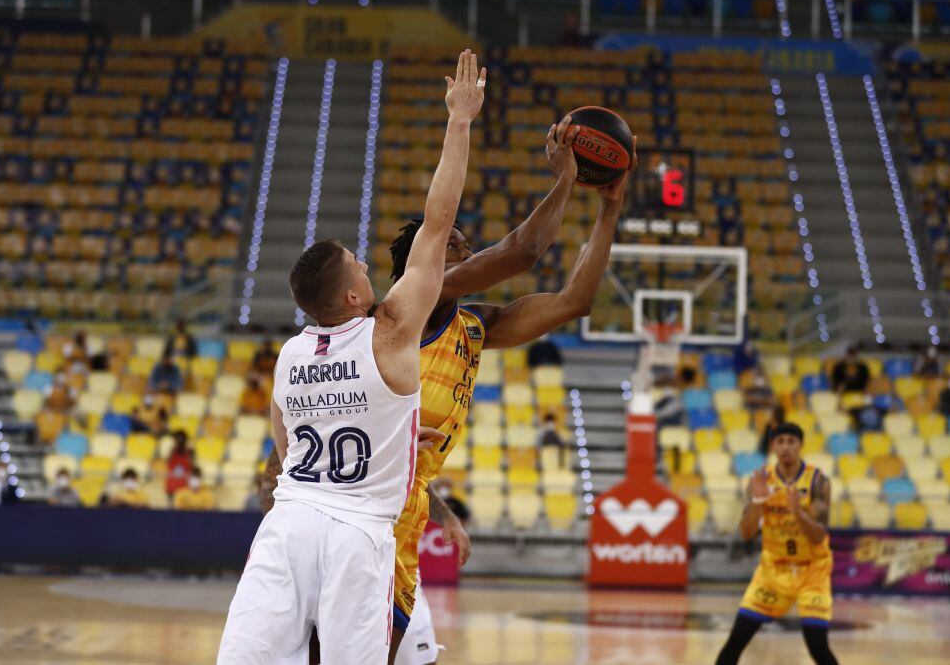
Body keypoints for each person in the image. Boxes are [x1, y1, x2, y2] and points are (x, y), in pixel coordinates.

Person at [258, 98, 635, 665]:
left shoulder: (474, 326)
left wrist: (609, 208)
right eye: (453, 246)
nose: (464, 249)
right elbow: (523, 251)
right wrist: (566, 180)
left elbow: (574, 302)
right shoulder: (406, 316)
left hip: (399, 515)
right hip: (358, 525)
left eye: (462, 244)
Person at [218, 49, 486, 665]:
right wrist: (459, 121)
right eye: (359, 266)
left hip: (290, 522)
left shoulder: (289, 353)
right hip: (359, 532)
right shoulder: (389, 332)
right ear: (349, 294)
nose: (369, 265)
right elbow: (437, 224)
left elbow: (284, 442)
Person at [715, 422, 838, 665]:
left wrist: (798, 514)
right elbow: (747, 532)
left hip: (812, 570)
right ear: (773, 446)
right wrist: (759, 501)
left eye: (791, 442)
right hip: (773, 570)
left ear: (800, 445)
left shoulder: (817, 481)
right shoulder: (761, 481)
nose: (785, 448)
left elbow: (818, 537)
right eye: (780, 442)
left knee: (817, 645)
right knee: (735, 641)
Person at [165, 430, 193, 497]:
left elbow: (191, 465)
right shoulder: (172, 451)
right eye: (177, 439)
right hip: (173, 478)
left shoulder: (190, 451)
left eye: (181, 439)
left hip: (184, 478)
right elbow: (168, 464)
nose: (179, 441)